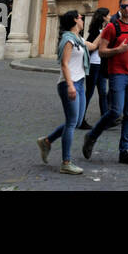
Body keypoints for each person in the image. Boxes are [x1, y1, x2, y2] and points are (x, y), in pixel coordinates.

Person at [82, 0, 128, 165]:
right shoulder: (111, 27)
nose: (126, 9)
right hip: (117, 74)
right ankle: (92, 135)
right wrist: (119, 49)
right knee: (116, 111)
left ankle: (124, 151)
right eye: (123, 6)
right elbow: (101, 51)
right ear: (120, 7)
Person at [37, 10, 87, 174]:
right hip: (68, 84)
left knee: (77, 122)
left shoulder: (79, 39)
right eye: (80, 17)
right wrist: (71, 85)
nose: (82, 19)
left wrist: (106, 28)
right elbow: (64, 64)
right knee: (72, 123)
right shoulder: (68, 40)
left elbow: (93, 46)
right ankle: (66, 162)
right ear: (75, 20)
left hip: (79, 83)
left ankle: (47, 141)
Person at [77, 7, 111, 129]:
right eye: (108, 15)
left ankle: (105, 119)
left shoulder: (104, 29)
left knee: (102, 92)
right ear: (103, 17)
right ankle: (81, 118)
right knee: (89, 92)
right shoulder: (95, 31)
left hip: (101, 65)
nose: (110, 17)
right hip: (93, 64)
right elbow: (90, 46)